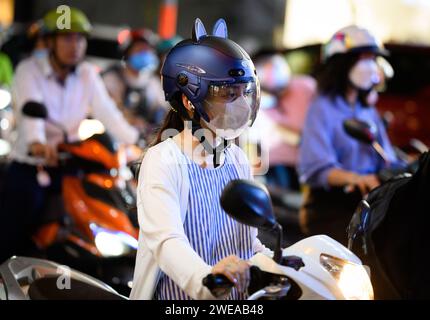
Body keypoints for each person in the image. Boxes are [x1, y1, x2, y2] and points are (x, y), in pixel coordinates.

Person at [130, 18, 271, 300]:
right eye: (228, 94)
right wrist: (206, 281)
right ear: (188, 100)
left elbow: (245, 242)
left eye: (244, 92)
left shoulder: (237, 160)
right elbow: (167, 242)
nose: (241, 103)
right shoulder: (163, 160)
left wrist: (281, 262)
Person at [0, 7, 139, 263]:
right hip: (33, 165)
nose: (75, 45)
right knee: (19, 218)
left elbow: (109, 114)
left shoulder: (87, 74)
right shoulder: (28, 71)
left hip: (73, 164)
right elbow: (32, 115)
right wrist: (38, 144)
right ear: (50, 41)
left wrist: (139, 142)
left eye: (80, 38)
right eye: (67, 38)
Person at [297, 25, 403, 245]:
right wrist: (355, 178)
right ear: (342, 63)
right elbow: (315, 167)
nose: (370, 65)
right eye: (363, 58)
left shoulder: (367, 109)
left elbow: (387, 156)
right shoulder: (322, 107)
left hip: (369, 200)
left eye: (373, 58)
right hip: (331, 207)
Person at [253, 53, 316, 190]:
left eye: (283, 89)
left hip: (310, 160)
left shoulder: (305, 86)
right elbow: (292, 137)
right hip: (278, 163)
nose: (281, 94)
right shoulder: (260, 101)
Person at [102, 28, 168, 140]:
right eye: (139, 49)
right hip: (112, 136)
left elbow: (164, 111)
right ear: (127, 52)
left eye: (148, 50)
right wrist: (131, 120)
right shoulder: (113, 77)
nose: (144, 53)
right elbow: (107, 108)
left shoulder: (153, 83)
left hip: (143, 140)